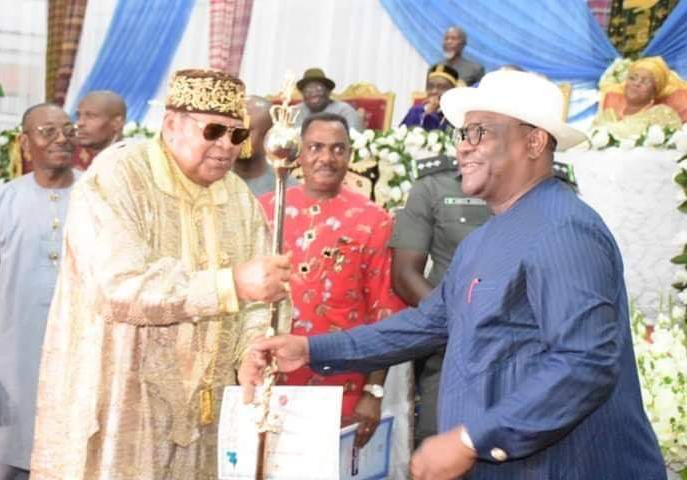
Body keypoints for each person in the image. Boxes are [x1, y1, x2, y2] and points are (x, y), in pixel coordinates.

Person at [242, 70, 666, 479]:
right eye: (462, 134)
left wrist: (470, 440)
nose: (463, 147)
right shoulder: (483, 240)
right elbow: (423, 325)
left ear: (534, 142)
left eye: (479, 132)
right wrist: (310, 348)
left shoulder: (564, 230)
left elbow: (584, 363)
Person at [29, 69, 291, 480]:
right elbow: (118, 286)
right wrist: (230, 284)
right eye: (213, 131)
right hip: (124, 397)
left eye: (237, 135)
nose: (226, 146)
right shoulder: (118, 176)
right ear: (171, 124)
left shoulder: (238, 198)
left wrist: (252, 350)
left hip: (208, 408)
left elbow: (266, 292)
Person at [260, 112, 405, 448]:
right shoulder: (266, 211)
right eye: (315, 147)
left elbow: (384, 311)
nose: (326, 158)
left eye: (338, 149)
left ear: (350, 155)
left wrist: (373, 390)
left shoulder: (374, 220)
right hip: (270, 379)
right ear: (299, 152)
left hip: (342, 385)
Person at [0, 103, 79, 480]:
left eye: (68, 130)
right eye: (48, 131)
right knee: (16, 459)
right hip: (14, 362)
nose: (62, 138)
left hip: (83, 357)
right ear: (25, 143)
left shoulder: (99, 199)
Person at [389, 154, 491, 449]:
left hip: (521, 355)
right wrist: (460, 323)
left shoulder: (546, 185)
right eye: (465, 132)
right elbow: (404, 276)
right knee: (439, 448)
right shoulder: (434, 185)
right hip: (448, 352)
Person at [594, 56, 684, 138]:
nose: (636, 83)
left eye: (645, 82)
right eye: (632, 78)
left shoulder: (662, 115)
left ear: (654, 92)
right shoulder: (610, 112)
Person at [232, 95, 297, 196]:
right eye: (233, 129)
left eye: (246, 130)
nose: (237, 136)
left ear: (268, 136)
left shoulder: (285, 190)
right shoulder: (212, 179)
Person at [293, 68, 363, 132]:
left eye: (319, 89)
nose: (313, 94)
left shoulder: (345, 111)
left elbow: (353, 138)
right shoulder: (296, 111)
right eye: (308, 90)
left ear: (328, 92)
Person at [73, 90, 126, 169]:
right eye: (78, 116)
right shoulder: (69, 154)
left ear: (116, 123)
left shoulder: (131, 159)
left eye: (90, 116)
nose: (79, 123)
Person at [401, 64, 460, 131]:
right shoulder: (416, 111)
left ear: (453, 90)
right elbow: (401, 134)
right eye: (430, 86)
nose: (434, 91)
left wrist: (431, 113)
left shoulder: (456, 116)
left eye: (442, 87)